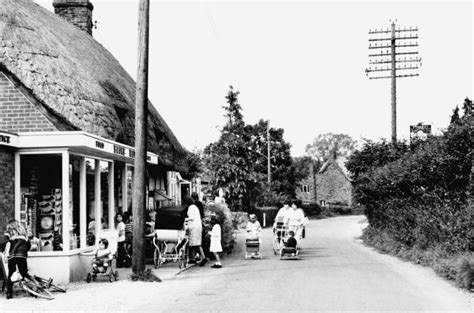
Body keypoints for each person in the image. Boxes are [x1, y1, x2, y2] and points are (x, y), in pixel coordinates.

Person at [4, 220, 32, 299]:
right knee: (24, 273)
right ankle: (33, 290)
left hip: (12, 257)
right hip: (21, 256)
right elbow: (28, 246)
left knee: (10, 274)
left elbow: (5, 243)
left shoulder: (9, 234)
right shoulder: (23, 234)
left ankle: (9, 294)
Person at [184, 197, 206, 266]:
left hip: (194, 227)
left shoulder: (191, 208)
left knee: (197, 244)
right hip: (197, 226)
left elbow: (192, 218)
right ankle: (193, 258)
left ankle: (203, 257)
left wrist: (185, 219)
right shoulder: (194, 207)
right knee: (193, 244)